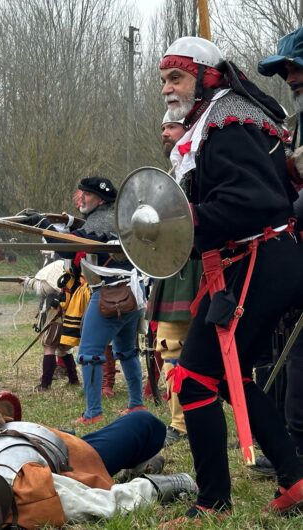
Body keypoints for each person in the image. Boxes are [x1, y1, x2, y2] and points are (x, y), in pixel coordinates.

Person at [159, 36, 303, 520]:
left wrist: (182, 222)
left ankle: (214, 502)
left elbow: (253, 203)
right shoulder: (220, 120)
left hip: (259, 259)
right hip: (258, 261)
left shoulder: (228, 121)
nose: (167, 88)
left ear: (207, 76)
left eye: (175, 77)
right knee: (231, 377)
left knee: (196, 378)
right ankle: (295, 478)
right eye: (164, 80)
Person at [0, 392, 196, 529]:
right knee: (145, 424)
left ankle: (139, 461)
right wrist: (164, 485)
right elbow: (107, 504)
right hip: (76, 460)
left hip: (50, 441)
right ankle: (141, 465)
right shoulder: (34, 495)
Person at [38, 177, 144, 425]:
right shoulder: (114, 218)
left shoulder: (102, 221)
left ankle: (93, 412)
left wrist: (43, 225)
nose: (81, 198)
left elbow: (67, 248)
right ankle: (136, 404)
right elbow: (82, 235)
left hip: (109, 295)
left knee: (88, 354)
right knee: (127, 352)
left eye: (86, 194)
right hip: (131, 294)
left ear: (100, 199)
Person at [256, 26, 303, 475]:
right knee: (286, 346)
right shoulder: (296, 120)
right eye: (285, 68)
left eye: (295, 66)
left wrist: (285, 216)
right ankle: (287, 442)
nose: (289, 75)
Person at [145, 111, 201, 447]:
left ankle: (244, 425)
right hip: (171, 269)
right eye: (163, 126)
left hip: (199, 267)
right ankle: (179, 423)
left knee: (221, 353)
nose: (165, 132)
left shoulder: (200, 167)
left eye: (172, 126)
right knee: (169, 348)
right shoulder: (173, 171)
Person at [22, 259, 81, 390]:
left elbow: (44, 287)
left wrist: (28, 282)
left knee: (49, 346)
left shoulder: (59, 269)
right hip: (70, 314)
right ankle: (73, 379)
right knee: (63, 349)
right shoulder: (72, 269)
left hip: (58, 314)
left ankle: (45, 384)